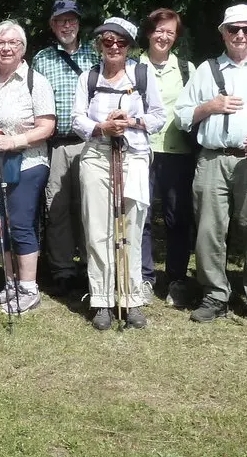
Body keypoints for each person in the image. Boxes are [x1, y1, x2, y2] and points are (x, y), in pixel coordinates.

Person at [175, 4, 247, 328]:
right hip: (213, 159)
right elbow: (182, 116)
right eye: (233, 29)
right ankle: (215, 295)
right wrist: (209, 107)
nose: (240, 35)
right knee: (210, 230)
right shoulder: (206, 70)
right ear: (223, 33)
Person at [73, 18, 165, 330]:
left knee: (131, 228)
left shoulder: (142, 73)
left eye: (120, 42)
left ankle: (130, 300)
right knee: (98, 229)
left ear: (129, 45)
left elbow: (159, 116)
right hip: (97, 156)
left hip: (134, 155)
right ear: (99, 44)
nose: (114, 47)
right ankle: (101, 299)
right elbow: (77, 120)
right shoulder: (89, 76)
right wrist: (102, 127)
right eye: (108, 41)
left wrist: (132, 121)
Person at [0, 21, 56, 314]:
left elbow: (47, 126)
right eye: (1, 43)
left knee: (20, 223)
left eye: (13, 43)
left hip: (28, 162)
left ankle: (28, 288)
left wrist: (15, 140)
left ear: (23, 49)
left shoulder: (36, 81)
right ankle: (9, 285)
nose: (6, 48)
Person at [31, 0, 99, 297]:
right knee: (56, 208)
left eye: (71, 20)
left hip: (92, 142)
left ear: (79, 24)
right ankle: (62, 270)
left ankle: (90, 266)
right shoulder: (42, 59)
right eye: (61, 21)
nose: (67, 26)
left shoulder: (96, 54)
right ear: (52, 25)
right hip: (56, 143)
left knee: (90, 207)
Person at [139, 8, 198, 307]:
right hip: (139, 153)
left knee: (178, 219)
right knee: (141, 217)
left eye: (170, 32)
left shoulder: (188, 69)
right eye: (159, 30)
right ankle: (144, 277)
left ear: (176, 37)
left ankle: (176, 279)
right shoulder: (132, 66)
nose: (163, 36)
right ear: (149, 32)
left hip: (178, 153)